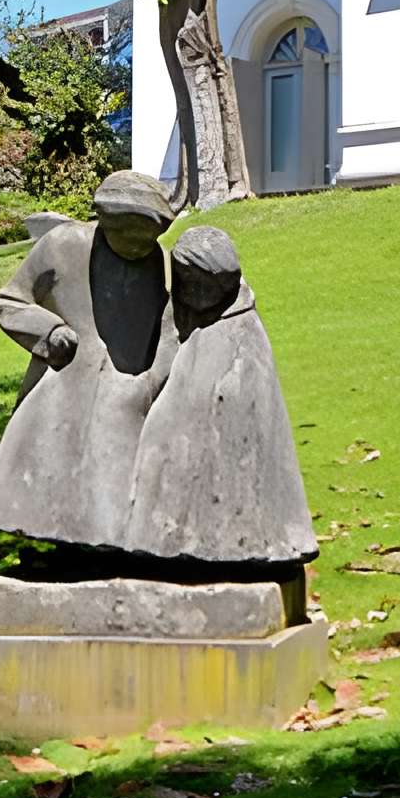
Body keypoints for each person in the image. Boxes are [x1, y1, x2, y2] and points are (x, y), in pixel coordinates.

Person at [0, 170, 176, 551]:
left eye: (146, 239)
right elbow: (10, 302)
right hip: (63, 384)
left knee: (115, 490)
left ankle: (109, 554)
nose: (137, 247)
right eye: (126, 235)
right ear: (104, 220)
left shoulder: (157, 261)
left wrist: (154, 376)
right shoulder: (64, 245)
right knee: (56, 477)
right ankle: (65, 552)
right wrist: (48, 332)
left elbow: (163, 320)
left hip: (126, 388)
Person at [124, 226, 317, 566]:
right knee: (162, 440)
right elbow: (166, 351)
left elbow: (247, 397)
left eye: (199, 283)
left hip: (224, 425)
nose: (191, 291)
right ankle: (162, 539)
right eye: (185, 280)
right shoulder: (182, 307)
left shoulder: (244, 330)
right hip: (181, 411)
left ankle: (237, 544)